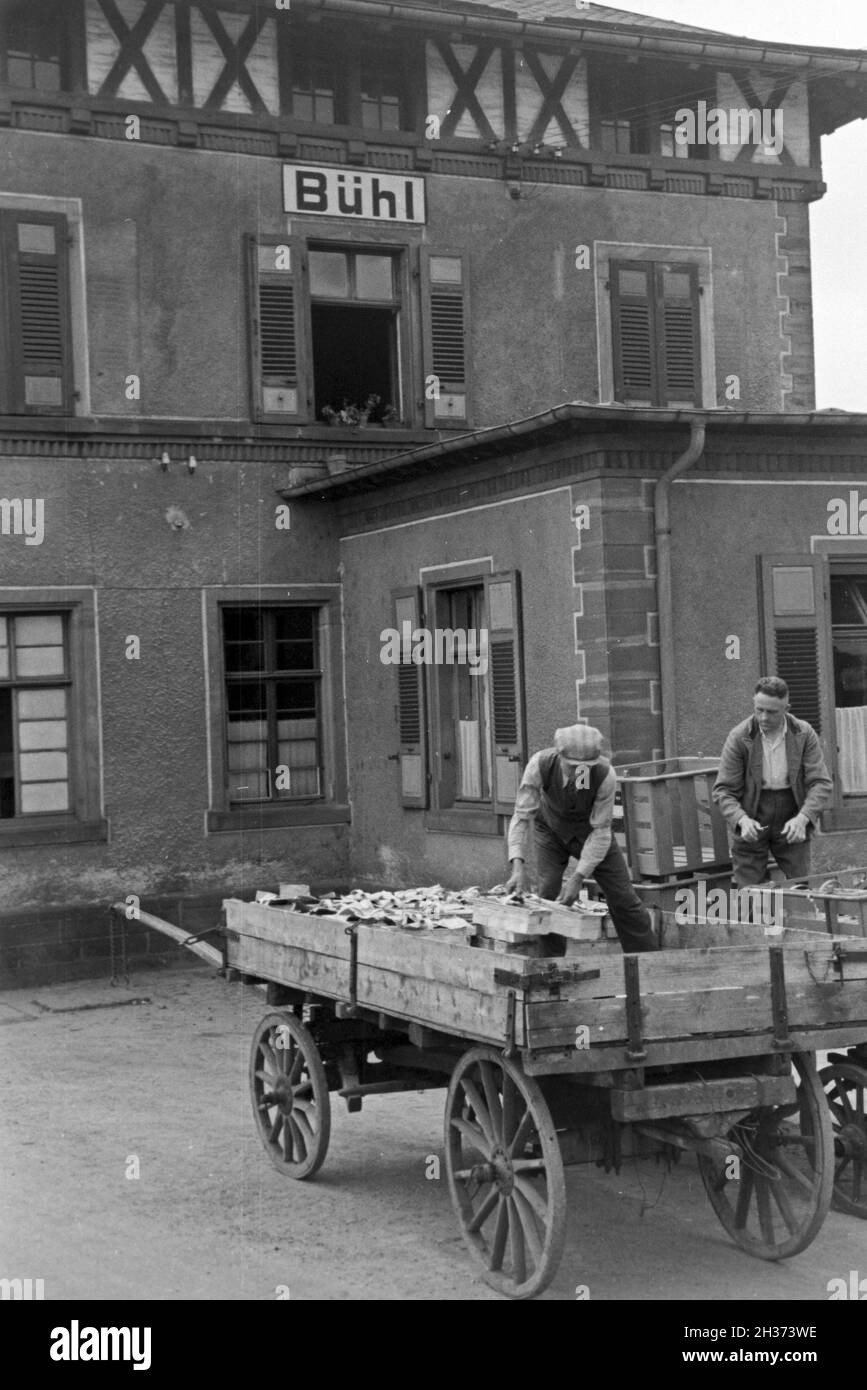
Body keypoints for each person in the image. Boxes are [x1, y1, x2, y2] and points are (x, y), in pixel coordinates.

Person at [505, 724, 657, 953]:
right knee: (549, 897)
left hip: (593, 833)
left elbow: (601, 830)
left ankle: (648, 965)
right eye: (573, 766)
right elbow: (521, 816)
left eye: (586, 767)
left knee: (624, 899)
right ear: (559, 755)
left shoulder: (605, 775)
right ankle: (551, 969)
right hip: (551, 830)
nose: (580, 771)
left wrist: (578, 877)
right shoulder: (539, 764)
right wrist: (517, 865)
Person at [713, 676, 832, 887]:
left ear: (787, 708)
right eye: (759, 709)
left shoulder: (804, 734)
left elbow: (821, 783)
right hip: (753, 815)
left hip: (792, 816)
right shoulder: (739, 736)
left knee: (804, 890)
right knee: (749, 896)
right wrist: (741, 820)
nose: (764, 717)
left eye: (772, 712)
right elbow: (723, 791)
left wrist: (803, 818)